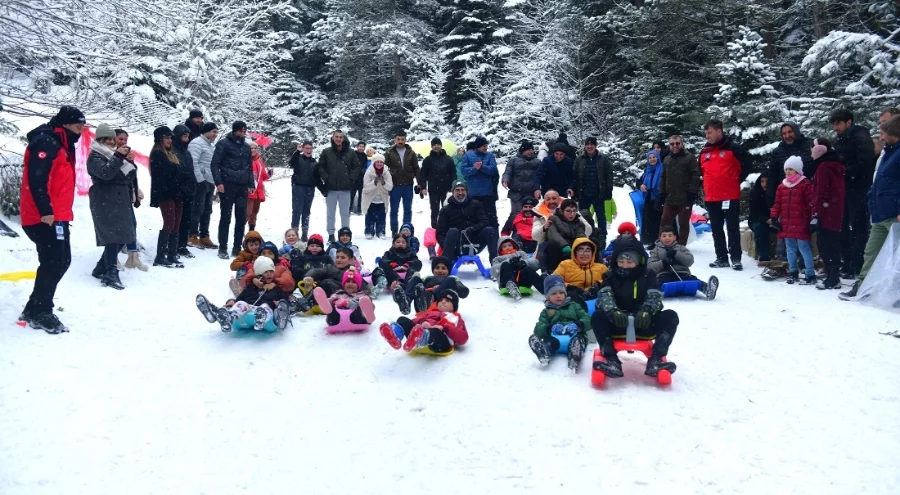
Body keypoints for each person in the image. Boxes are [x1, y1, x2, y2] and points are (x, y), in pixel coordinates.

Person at [18, 106, 85, 332]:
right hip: (43, 216)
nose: (81, 132)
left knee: (59, 261)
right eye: (78, 127)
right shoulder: (46, 142)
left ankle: (34, 307)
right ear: (65, 125)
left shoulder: (62, 144)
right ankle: (41, 311)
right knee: (54, 261)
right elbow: (37, 179)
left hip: (58, 215)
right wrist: (46, 210)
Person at [591, 236, 679, 378]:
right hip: (618, 324)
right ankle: (611, 359)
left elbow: (655, 296)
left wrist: (647, 311)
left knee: (671, 316)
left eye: (629, 262)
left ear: (638, 262)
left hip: (643, 323)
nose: (624, 265)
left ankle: (656, 358)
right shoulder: (609, 276)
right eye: (621, 261)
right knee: (597, 316)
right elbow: (604, 296)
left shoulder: (648, 275)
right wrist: (612, 311)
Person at [840, 116, 900, 300]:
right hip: (880, 213)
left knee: (896, 257)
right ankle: (864, 286)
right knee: (870, 251)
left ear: (893, 134)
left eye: (883, 133)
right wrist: (871, 198)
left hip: (895, 215)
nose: (880, 138)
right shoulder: (888, 153)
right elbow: (879, 181)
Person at [86, 123, 136, 290]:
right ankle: (110, 273)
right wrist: (118, 157)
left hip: (120, 199)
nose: (109, 142)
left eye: (110, 139)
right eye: (106, 139)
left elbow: (126, 177)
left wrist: (130, 163)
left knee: (123, 236)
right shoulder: (95, 156)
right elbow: (106, 174)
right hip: (104, 199)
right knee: (112, 236)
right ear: (100, 139)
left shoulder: (112, 155)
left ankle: (101, 268)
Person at [830, 108, 876, 280]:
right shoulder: (841, 139)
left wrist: (843, 171)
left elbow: (865, 164)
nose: (835, 127)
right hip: (845, 188)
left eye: (838, 123)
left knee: (858, 227)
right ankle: (847, 261)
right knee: (843, 226)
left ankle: (856, 264)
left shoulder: (861, 137)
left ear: (848, 122)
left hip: (859, 188)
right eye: (833, 124)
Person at [699, 119, 751, 270]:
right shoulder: (704, 152)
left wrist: (735, 181)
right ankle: (721, 257)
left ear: (719, 131)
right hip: (712, 197)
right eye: (706, 133)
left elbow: (746, 166)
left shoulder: (733, 148)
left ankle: (735, 258)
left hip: (730, 196)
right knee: (716, 228)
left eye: (709, 132)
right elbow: (702, 171)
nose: (707, 136)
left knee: (732, 228)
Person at [195, 257, 292, 333]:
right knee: (241, 303)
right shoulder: (250, 288)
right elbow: (239, 299)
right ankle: (227, 317)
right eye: (266, 272)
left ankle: (267, 318)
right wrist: (231, 302)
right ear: (258, 274)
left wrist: (280, 304)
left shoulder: (276, 288)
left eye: (271, 272)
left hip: (267, 317)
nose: (269, 274)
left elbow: (285, 300)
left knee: (265, 306)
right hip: (248, 313)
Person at [526, 274, 590, 371]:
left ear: (565, 293)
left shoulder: (574, 306)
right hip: (555, 338)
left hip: (574, 335)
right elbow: (538, 328)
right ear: (548, 296)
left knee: (578, 341)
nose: (558, 295)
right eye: (554, 293)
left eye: (561, 292)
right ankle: (544, 353)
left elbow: (587, 319)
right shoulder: (546, 311)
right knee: (549, 342)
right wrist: (549, 328)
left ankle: (575, 357)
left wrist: (578, 325)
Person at [770, 156, 816, 285]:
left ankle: (810, 273)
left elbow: (811, 203)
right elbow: (777, 203)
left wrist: (812, 218)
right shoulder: (782, 186)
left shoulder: (805, 185)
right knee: (790, 248)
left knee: (804, 247)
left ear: (797, 170)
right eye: (786, 169)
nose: (788, 172)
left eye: (791, 169)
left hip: (801, 222)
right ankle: (793, 272)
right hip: (786, 223)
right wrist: (774, 216)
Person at [211, 121, 254, 259]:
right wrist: (218, 182)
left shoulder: (247, 147)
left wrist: (251, 183)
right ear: (235, 130)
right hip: (227, 184)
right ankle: (223, 247)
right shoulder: (223, 144)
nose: (243, 133)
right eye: (241, 130)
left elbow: (249, 166)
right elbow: (214, 164)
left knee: (241, 218)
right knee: (226, 217)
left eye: (244, 130)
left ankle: (237, 247)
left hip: (242, 186)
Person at [380, 289, 469, 354]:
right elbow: (414, 321)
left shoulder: (456, 318)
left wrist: (444, 328)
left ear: (454, 307)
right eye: (441, 300)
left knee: (435, 332)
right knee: (402, 320)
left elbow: (463, 338)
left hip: (440, 342)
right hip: (419, 333)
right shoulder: (429, 313)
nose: (443, 302)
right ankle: (395, 336)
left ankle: (421, 338)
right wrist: (422, 322)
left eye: (448, 301)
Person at [809, 138, 846, 290]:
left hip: (826, 212)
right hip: (836, 210)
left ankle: (832, 277)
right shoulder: (836, 166)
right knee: (832, 243)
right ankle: (833, 275)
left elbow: (821, 194)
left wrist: (816, 215)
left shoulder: (823, 167)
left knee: (824, 244)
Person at [435, 180, 499, 265]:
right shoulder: (446, 209)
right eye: (457, 190)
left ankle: (495, 265)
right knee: (452, 231)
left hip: (475, 242)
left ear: (466, 191)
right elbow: (440, 233)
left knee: (490, 230)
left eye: (462, 190)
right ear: (452, 191)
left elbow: (484, 221)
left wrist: (473, 228)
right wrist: (447, 247)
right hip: (456, 245)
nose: (460, 193)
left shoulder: (476, 205)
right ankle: (446, 264)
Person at [647, 226, 719, 299]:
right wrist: (663, 263)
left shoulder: (681, 248)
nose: (667, 238)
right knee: (657, 283)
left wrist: (676, 254)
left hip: (682, 272)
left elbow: (690, 261)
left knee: (694, 280)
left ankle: (707, 289)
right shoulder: (656, 250)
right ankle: (652, 295)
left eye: (670, 235)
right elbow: (650, 266)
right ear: (660, 238)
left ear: (674, 237)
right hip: (664, 274)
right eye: (664, 236)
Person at [149, 126, 186, 268]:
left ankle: (171, 254)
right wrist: (180, 172)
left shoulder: (171, 153)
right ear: (160, 139)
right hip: (165, 193)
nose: (169, 140)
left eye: (170, 138)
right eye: (166, 138)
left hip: (176, 193)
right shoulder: (158, 154)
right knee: (169, 223)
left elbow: (179, 171)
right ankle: (160, 256)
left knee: (176, 224)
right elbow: (170, 172)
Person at [318, 129, 362, 243]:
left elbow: (357, 166)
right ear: (333, 138)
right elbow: (320, 167)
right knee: (330, 214)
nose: (338, 139)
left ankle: (345, 234)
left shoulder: (350, 152)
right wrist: (326, 178)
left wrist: (350, 178)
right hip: (331, 188)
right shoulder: (326, 152)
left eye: (340, 137)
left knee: (345, 214)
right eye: (336, 137)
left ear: (343, 139)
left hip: (345, 188)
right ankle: (331, 234)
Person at [114, 128, 148, 271]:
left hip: (127, 195)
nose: (123, 142)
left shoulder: (128, 154)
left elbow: (132, 175)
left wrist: (136, 190)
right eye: (120, 139)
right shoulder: (111, 154)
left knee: (131, 224)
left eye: (125, 140)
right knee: (116, 227)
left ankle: (132, 257)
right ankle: (111, 258)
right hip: (114, 196)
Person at [658, 135, 700, 246]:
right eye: (672, 144)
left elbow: (695, 175)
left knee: (683, 224)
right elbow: (663, 177)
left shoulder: (689, 157)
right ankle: (663, 245)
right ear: (669, 145)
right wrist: (661, 192)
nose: (675, 146)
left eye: (677, 143)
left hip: (685, 197)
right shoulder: (667, 159)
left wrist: (692, 192)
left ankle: (681, 246)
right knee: (664, 221)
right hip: (670, 197)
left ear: (682, 144)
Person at [573, 137, 613, 246]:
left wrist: (609, 190)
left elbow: (609, 174)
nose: (589, 147)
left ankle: (602, 237)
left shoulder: (603, 158)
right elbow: (575, 175)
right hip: (583, 193)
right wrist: (574, 190)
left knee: (601, 216)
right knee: (583, 217)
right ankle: (584, 236)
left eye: (592, 144)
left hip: (598, 193)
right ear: (585, 146)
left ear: (596, 146)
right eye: (587, 144)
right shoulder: (579, 159)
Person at [187, 122, 219, 250]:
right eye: (214, 132)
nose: (215, 135)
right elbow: (193, 162)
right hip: (200, 181)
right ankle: (192, 234)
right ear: (206, 131)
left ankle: (204, 235)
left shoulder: (209, 145)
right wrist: (200, 180)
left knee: (207, 210)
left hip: (209, 181)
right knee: (197, 209)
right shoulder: (196, 143)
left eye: (216, 132)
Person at [403, 256, 470, 314]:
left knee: (451, 279)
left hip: (443, 302)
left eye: (443, 268)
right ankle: (406, 301)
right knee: (416, 279)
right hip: (422, 305)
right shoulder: (427, 278)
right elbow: (413, 286)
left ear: (448, 271)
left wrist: (462, 290)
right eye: (437, 268)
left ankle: (432, 298)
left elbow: (461, 289)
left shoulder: (452, 278)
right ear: (433, 270)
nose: (440, 270)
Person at [384, 131, 421, 236]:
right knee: (394, 209)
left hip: (408, 184)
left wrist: (419, 182)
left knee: (408, 209)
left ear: (405, 139)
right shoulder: (389, 152)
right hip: (394, 185)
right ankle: (394, 230)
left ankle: (406, 229)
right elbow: (384, 168)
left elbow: (416, 168)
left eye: (402, 139)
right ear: (395, 140)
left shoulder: (411, 152)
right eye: (398, 139)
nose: (400, 141)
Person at [553, 237, 607, 307]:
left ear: (592, 253)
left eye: (588, 251)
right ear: (574, 252)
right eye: (580, 250)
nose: (584, 254)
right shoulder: (565, 265)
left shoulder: (601, 267)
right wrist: (569, 287)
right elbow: (553, 281)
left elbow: (611, 281)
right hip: (572, 302)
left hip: (596, 302)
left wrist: (598, 285)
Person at [767, 123, 813, 205]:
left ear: (796, 132)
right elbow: (772, 176)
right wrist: (770, 198)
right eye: (784, 133)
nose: (787, 136)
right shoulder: (777, 152)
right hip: (786, 196)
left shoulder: (810, 145)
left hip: (807, 195)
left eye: (790, 132)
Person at [501, 140, 542, 234]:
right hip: (516, 192)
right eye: (528, 149)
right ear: (522, 151)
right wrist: (505, 180)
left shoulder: (537, 162)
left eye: (531, 149)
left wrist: (538, 189)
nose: (530, 151)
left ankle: (532, 233)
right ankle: (513, 233)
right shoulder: (513, 160)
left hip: (531, 192)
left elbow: (540, 176)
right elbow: (507, 172)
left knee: (533, 214)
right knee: (516, 214)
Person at [460, 135, 500, 229]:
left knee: (491, 218)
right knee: (473, 218)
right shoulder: (467, 156)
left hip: (487, 194)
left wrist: (482, 167)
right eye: (484, 146)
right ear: (478, 146)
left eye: (486, 145)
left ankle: (493, 238)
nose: (486, 148)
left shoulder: (490, 156)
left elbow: (493, 170)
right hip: (473, 194)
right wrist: (474, 169)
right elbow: (464, 171)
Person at [379, 234, 424, 315]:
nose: (400, 244)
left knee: (413, 269)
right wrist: (391, 263)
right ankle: (398, 283)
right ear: (393, 244)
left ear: (406, 244)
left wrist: (408, 264)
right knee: (385, 269)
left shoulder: (410, 253)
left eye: (403, 242)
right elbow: (382, 261)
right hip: (393, 273)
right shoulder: (389, 253)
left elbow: (417, 262)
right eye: (398, 242)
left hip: (406, 272)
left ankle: (408, 284)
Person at [171, 125, 197, 259]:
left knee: (187, 219)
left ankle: (182, 244)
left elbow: (190, 170)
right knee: (175, 220)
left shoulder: (186, 152)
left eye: (188, 137)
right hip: (177, 190)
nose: (186, 139)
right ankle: (173, 245)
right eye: (184, 136)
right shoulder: (172, 151)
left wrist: (192, 185)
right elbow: (175, 172)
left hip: (188, 190)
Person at [419, 137, 457, 228]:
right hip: (433, 189)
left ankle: (447, 227)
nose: (436, 146)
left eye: (438, 144)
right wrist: (423, 187)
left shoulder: (448, 159)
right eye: (434, 145)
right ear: (432, 147)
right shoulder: (427, 160)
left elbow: (453, 173)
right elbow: (423, 174)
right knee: (434, 210)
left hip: (447, 188)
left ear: (441, 146)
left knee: (447, 209)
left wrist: (454, 186)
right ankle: (434, 228)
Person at [289, 141, 321, 240]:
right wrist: (297, 152)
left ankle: (304, 233)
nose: (308, 150)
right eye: (306, 148)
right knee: (297, 211)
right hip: (298, 187)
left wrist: (324, 189)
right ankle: (294, 232)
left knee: (306, 212)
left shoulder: (314, 162)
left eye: (310, 148)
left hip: (310, 188)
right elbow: (291, 164)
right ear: (303, 149)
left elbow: (317, 178)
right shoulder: (298, 158)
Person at [362, 153, 392, 239]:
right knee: (369, 217)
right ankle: (369, 231)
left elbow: (390, 187)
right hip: (370, 199)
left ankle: (381, 231)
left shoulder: (386, 172)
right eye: (377, 162)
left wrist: (383, 183)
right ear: (374, 163)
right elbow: (365, 187)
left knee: (382, 217)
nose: (379, 164)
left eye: (381, 162)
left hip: (382, 199)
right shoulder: (369, 172)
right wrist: (374, 183)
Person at [639, 150, 665, 247]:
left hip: (659, 198)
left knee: (659, 221)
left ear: (657, 158)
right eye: (650, 158)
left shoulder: (662, 169)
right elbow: (640, 181)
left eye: (654, 157)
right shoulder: (647, 170)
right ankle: (652, 240)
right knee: (650, 221)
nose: (652, 159)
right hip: (648, 198)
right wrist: (641, 185)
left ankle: (660, 241)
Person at [748, 172, 771, 265]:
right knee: (760, 228)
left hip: (772, 218)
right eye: (762, 181)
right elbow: (754, 211)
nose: (764, 184)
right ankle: (763, 255)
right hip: (756, 219)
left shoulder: (773, 192)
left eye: (766, 181)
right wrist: (765, 219)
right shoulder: (755, 193)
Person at [351, 141, 368, 215]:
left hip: (362, 178)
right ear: (357, 147)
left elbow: (366, 166)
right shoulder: (353, 154)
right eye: (360, 146)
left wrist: (363, 171)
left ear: (364, 148)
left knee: (361, 195)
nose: (361, 148)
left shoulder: (365, 156)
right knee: (351, 195)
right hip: (354, 178)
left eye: (362, 147)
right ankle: (349, 209)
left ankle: (359, 209)